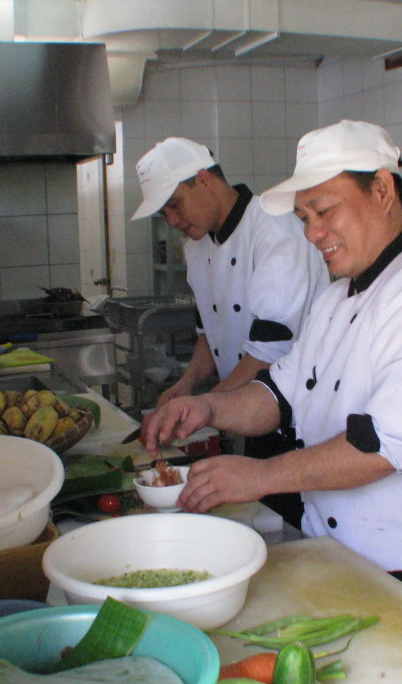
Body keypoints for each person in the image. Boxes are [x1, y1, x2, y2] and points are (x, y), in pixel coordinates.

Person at [141, 121, 402, 632]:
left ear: (382, 190)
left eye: (324, 211)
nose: (312, 234)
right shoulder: (338, 298)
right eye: (304, 218)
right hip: (351, 557)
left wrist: (261, 476)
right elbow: (279, 394)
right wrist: (207, 407)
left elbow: (384, 446)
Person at [131, 137, 329, 529]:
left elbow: (269, 351)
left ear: (204, 180)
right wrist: (185, 387)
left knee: (296, 527)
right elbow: (210, 332)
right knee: (264, 522)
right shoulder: (196, 248)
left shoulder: (275, 229)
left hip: (303, 420)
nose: (172, 220)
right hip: (251, 413)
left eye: (175, 204)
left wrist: (206, 408)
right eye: (164, 212)